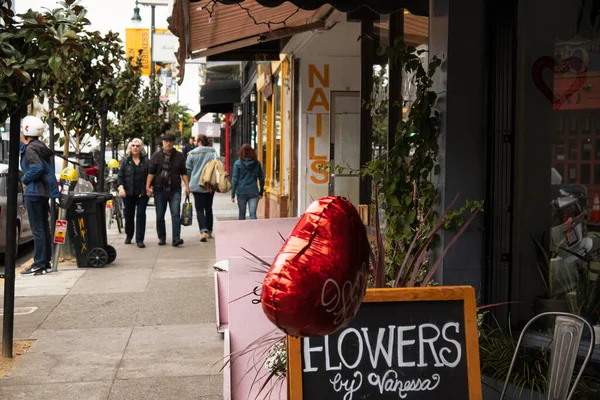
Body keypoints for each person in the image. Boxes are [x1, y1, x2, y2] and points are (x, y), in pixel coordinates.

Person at [19, 116, 60, 275]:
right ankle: (45, 262)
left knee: (38, 229)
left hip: (34, 192)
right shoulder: (40, 146)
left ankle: (38, 264)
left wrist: (24, 179)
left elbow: (37, 169)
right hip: (43, 192)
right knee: (43, 228)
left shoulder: (30, 149)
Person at [146, 133, 190, 246]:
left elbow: (183, 172)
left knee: (175, 214)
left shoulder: (179, 156)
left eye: (170, 141)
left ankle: (176, 238)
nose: (168, 143)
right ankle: (162, 237)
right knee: (160, 215)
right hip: (159, 189)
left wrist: (187, 186)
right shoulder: (156, 156)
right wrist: (148, 186)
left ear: (173, 143)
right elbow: (151, 173)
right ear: (162, 143)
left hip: (175, 189)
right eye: (166, 141)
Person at [118, 138, 149, 248]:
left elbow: (150, 176)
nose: (135, 147)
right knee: (128, 215)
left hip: (142, 193)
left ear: (141, 148)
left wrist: (150, 188)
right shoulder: (125, 161)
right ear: (130, 148)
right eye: (133, 146)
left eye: (137, 146)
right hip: (128, 193)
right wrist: (121, 188)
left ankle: (140, 239)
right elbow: (120, 176)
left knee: (141, 215)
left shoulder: (146, 161)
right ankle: (129, 235)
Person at [186, 134, 218, 242]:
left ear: (199, 142)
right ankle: (209, 231)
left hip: (196, 184)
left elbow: (188, 170)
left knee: (199, 208)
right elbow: (218, 165)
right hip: (210, 184)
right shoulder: (213, 152)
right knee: (209, 207)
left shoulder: (191, 154)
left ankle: (203, 231)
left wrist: (187, 185)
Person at [231, 144, 265, 220]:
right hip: (253, 191)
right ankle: (254, 230)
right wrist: (261, 192)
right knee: (253, 214)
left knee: (242, 213)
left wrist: (233, 194)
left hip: (241, 192)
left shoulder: (237, 164)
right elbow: (261, 178)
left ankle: (242, 231)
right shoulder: (257, 163)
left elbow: (234, 180)